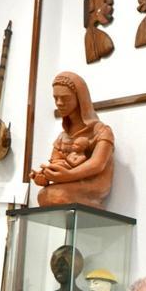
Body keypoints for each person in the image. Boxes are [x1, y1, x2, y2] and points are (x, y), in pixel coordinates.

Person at [30, 71, 115, 207]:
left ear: (80, 98)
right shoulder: (62, 137)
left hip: (93, 184)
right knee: (43, 195)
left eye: (65, 98)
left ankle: (93, 206)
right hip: (68, 183)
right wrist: (45, 177)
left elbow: (97, 164)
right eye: (55, 98)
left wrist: (68, 175)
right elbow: (57, 163)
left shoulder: (102, 131)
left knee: (54, 196)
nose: (59, 103)